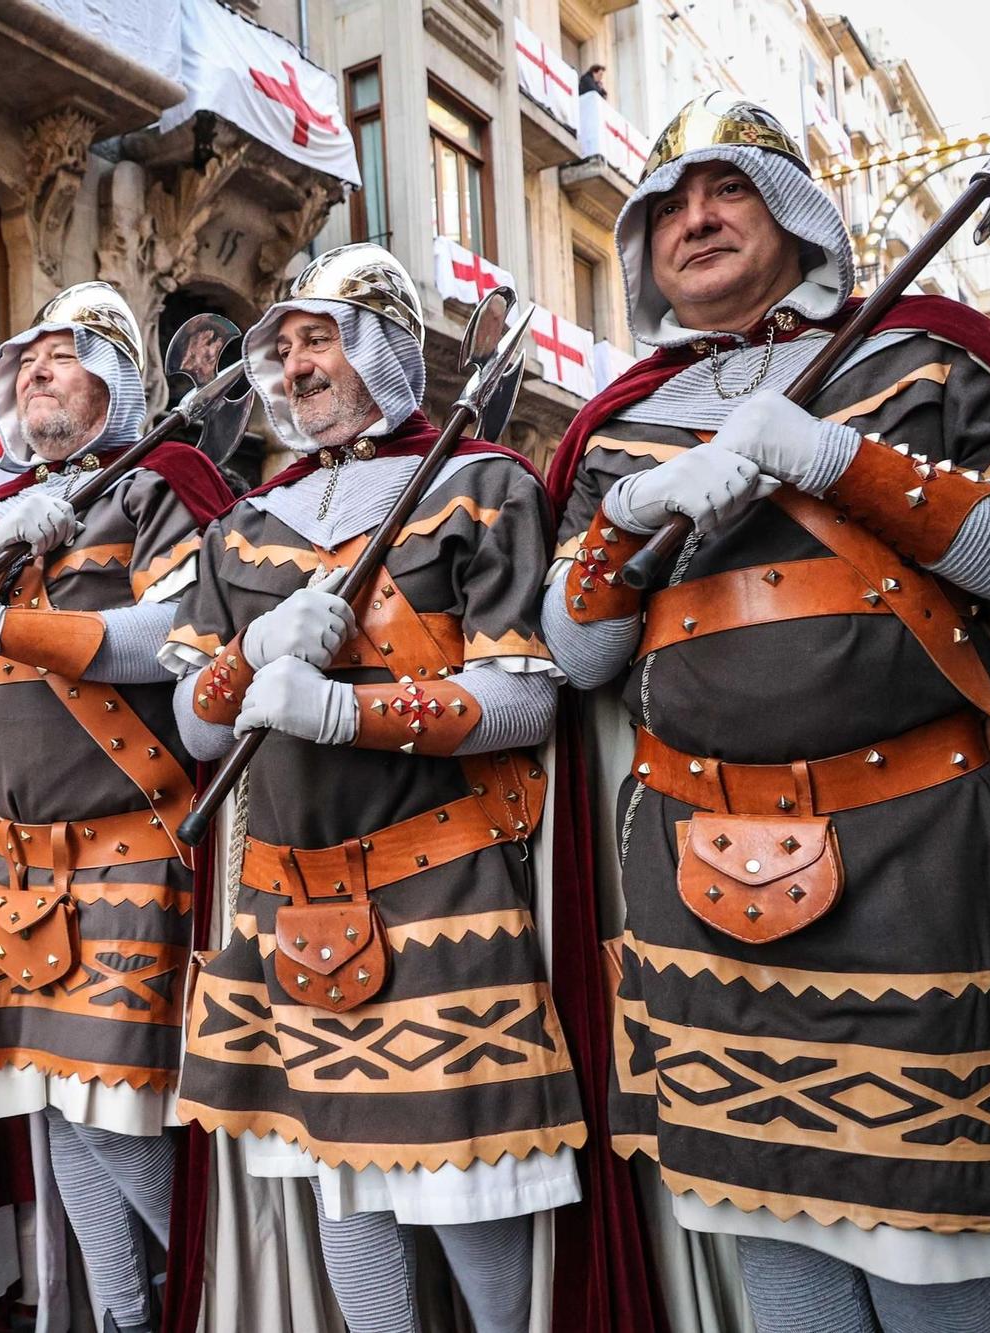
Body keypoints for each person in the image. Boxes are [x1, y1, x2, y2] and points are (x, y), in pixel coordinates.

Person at [541, 93, 990, 1333]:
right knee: (768, 1243)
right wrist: (629, 515)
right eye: (667, 205)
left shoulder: (922, 356)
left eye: (725, 189)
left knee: (936, 1251)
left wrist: (830, 457)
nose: (693, 219)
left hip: (916, 864)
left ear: (792, 212)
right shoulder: (614, 427)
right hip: (690, 878)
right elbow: (577, 653)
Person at [163, 243, 583, 1333]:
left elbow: (526, 700)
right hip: (281, 895)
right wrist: (247, 652)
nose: (297, 367)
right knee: (334, 1178)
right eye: (283, 348)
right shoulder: (242, 523)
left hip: (438, 886)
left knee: (463, 1180)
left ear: (383, 348)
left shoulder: (479, 485)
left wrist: (345, 710)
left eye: (320, 339)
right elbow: (195, 731)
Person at [0, 282, 232, 1333]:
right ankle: (118, 1316)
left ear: (112, 374)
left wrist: (15, 625)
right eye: (25, 362)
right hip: (8, 868)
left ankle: (190, 1304)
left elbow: (188, 634)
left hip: (129, 845)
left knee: (115, 1116)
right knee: (52, 1110)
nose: (36, 373)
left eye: (62, 354)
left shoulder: (162, 479)